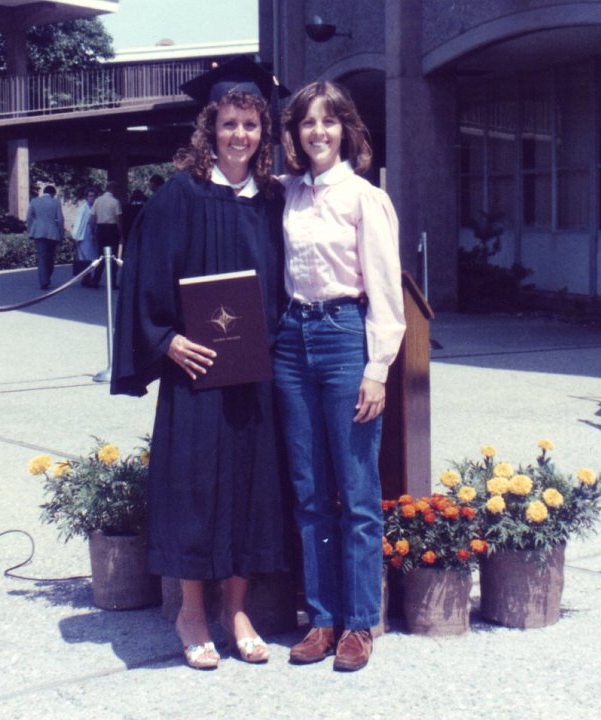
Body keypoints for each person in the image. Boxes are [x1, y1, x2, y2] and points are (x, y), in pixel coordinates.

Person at [110, 56, 289, 671]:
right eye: (229, 123)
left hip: (254, 376)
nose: (240, 134)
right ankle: (191, 611)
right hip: (195, 375)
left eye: (251, 125)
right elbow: (143, 288)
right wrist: (166, 344)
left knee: (250, 485)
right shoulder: (176, 199)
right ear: (209, 128)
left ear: (264, 134)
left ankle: (236, 610)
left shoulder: (272, 202)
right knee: (194, 489)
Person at [273, 81, 406, 672]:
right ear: (296, 134)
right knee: (308, 493)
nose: (318, 132)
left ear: (346, 128)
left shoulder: (363, 198)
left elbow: (384, 290)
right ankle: (322, 618)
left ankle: (359, 624)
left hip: (344, 336)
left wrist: (377, 368)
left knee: (355, 492)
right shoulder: (289, 194)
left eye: (328, 122)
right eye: (307, 123)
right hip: (291, 341)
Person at [26, 185, 64, 290]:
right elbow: (60, 220)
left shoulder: (34, 201)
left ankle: (43, 281)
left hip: (38, 233)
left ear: (44, 192)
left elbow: (29, 217)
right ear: (53, 193)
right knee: (50, 257)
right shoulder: (56, 202)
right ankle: (47, 277)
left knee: (42, 257)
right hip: (52, 233)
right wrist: (61, 234)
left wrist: (32, 229)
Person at [90, 180, 123, 288]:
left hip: (101, 228)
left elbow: (93, 218)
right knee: (113, 256)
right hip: (112, 229)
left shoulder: (97, 201)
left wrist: (93, 231)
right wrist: (121, 234)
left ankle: (95, 280)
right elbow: (118, 219)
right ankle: (112, 282)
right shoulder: (115, 202)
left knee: (100, 255)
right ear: (113, 189)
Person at [71, 188, 97, 287]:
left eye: (93, 196)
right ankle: (86, 278)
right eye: (90, 196)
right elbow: (78, 222)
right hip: (83, 236)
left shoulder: (94, 207)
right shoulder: (83, 208)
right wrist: (76, 236)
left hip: (91, 236)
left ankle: (87, 278)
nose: (92, 198)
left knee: (90, 258)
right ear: (86, 197)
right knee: (85, 258)